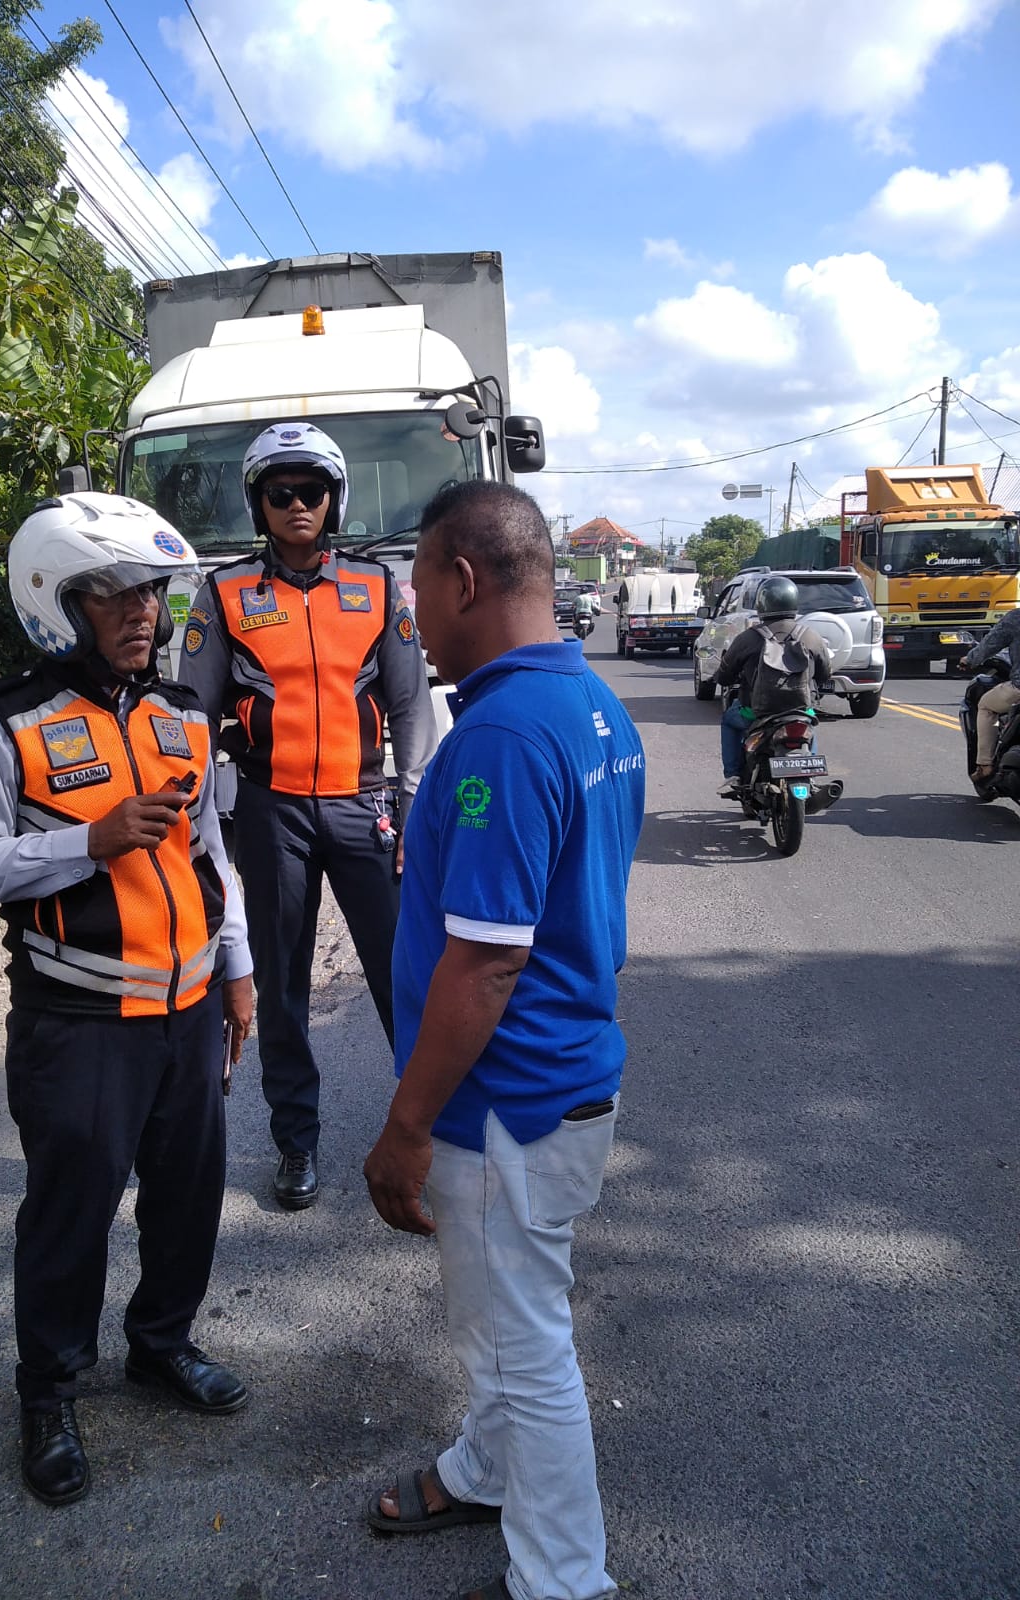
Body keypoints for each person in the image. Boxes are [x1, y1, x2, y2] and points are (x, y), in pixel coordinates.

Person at [0, 492, 254, 1508]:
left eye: (149, 592)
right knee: (70, 1215)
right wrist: (88, 838)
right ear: (54, 602)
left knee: (188, 1194)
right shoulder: (0, 724)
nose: (141, 612)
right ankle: (49, 1393)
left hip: (189, 1008)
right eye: (111, 593)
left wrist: (239, 970)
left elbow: (210, 852)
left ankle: (162, 1343)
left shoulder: (181, 715)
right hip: (78, 1023)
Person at [363, 480, 645, 1600]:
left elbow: (486, 965)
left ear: (463, 579)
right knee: (502, 1307)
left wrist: (403, 1126)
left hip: (508, 1104)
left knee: (530, 1346)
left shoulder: (499, 737)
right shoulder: (590, 704)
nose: (412, 614)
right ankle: (486, 1470)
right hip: (562, 1082)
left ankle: (565, 1580)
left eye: (417, 587)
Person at [179, 423, 438, 1210]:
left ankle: (431, 1131)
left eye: (312, 491)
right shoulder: (224, 595)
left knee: (405, 974)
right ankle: (297, 1144)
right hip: (271, 811)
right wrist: (197, 817)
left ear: (334, 500)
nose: (298, 505)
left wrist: (412, 796)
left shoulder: (376, 588)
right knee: (283, 980)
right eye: (280, 493)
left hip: (364, 806)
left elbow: (410, 701)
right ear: (259, 504)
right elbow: (192, 711)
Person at [713, 575, 832, 799]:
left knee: (729, 721)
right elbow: (826, 673)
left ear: (762, 604)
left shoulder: (748, 638)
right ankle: (810, 776)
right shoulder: (810, 635)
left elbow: (725, 676)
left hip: (755, 712)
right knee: (809, 722)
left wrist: (724, 677)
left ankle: (733, 776)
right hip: (799, 711)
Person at [959, 609, 1020, 780]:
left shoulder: (1016, 618)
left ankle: (985, 764)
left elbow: (990, 645)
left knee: (985, 705)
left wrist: (969, 659)